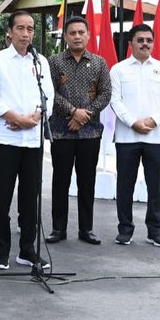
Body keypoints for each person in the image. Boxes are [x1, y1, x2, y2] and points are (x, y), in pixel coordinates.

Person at [0, 11, 54, 270]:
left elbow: (48, 96)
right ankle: (1, 252)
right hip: (6, 139)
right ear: (10, 32)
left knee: (30, 198)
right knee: (2, 199)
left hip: (32, 140)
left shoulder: (40, 61)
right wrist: (15, 117)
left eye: (30, 29)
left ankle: (27, 250)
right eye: (21, 28)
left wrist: (33, 118)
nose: (26, 34)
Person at [46, 16, 111, 245]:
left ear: (88, 35)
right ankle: (58, 229)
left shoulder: (99, 63)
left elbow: (105, 94)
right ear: (65, 37)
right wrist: (73, 111)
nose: (76, 36)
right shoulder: (54, 62)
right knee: (60, 181)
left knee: (87, 182)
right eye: (72, 33)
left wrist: (84, 116)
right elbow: (50, 92)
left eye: (80, 32)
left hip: (90, 133)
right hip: (61, 132)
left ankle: (86, 229)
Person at [110, 24, 160, 247]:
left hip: (155, 138)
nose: (145, 43)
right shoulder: (118, 70)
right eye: (140, 39)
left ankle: (155, 231)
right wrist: (133, 123)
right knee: (125, 185)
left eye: (149, 39)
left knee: (155, 186)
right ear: (131, 43)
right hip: (127, 137)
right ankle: (125, 230)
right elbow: (115, 101)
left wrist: (152, 121)